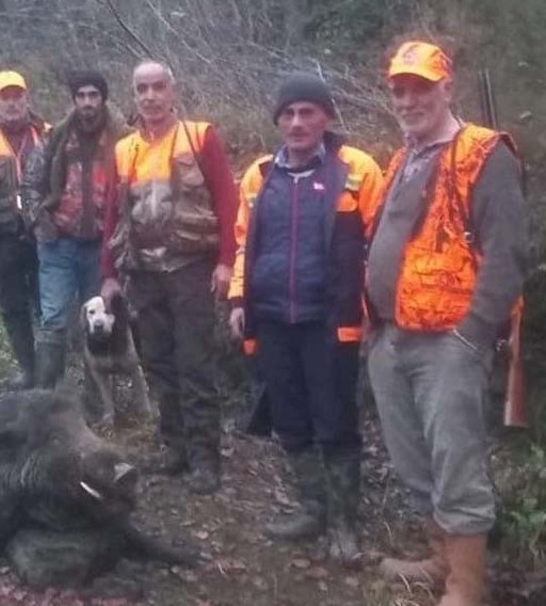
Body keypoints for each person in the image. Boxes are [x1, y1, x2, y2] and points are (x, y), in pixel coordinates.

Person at [366, 41, 528, 606]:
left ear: (447, 86)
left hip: (449, 345)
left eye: (420, 87)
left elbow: (509, 253)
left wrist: (471, 337)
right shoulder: (402, 157)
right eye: (399, 90)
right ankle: (438, 558)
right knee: (413, 461)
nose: (409, 99)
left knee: (456, 464)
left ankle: (466, 589)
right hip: (392, 339)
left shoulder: (484, 153)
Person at [227, 73, 383, 564]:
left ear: (327, 117)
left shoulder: (356, 169)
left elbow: (381, 243)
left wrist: (376, 309)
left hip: (330, 318)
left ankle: (344, 526)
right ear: (277, 119)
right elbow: (241, 242)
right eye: (288, 114)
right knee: (290, 417)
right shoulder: (257, 175)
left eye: (307, 112)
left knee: (335, 419)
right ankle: (312, 508)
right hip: (272, 317)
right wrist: (237, 300)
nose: (296, 123)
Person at [100, 60, 238, 495]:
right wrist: (108, 274)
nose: (150, 96)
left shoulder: (200, 137)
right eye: (142, 88)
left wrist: (227, 262)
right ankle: (175, 447)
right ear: (133, 94)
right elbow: (111, 216)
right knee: (159, 362)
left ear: (172, 91)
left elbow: (229, 202)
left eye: (158, 87)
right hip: (143, 271)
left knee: (195, 362)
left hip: (191, 268)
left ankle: (204, 458)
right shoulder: (125, 150)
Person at [24, 71, 123, 393]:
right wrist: (39, 220)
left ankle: (98, 400)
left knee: (99, 321)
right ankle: (45, 397)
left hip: (102, 245)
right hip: (59, 243)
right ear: (74, 100)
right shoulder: (56, 137)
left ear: (103, 98)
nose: (87, 103)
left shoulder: (122, 138)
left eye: (93, 95)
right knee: (53, 319)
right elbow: (31, 183)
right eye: (81, 96)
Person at [0, 70, 49, 389]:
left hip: (43, 235)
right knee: (12, 306)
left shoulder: (48, 134)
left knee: (48, 307)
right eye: (6, 96)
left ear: (27, 98)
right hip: (2, 238)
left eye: (18, 95)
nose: (13, 102)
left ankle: (50, 372)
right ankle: (28, 370)